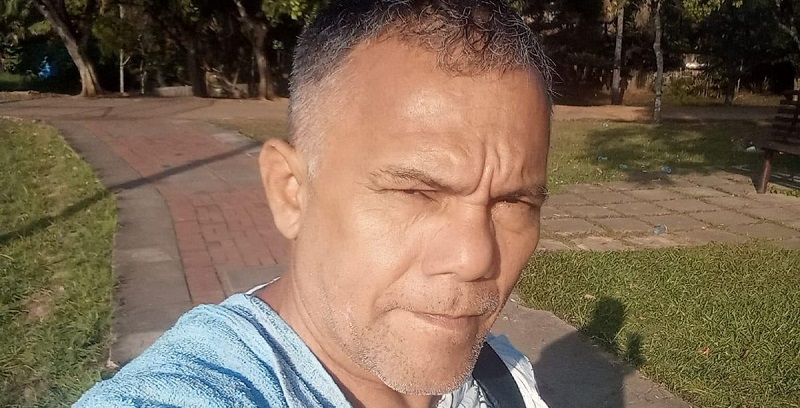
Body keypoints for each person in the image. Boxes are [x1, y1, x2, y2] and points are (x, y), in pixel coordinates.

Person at [75, 0, 554, 406]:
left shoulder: (503, 372)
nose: (475, 258)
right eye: (416, 192)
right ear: (291, 191)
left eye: (513, 202)